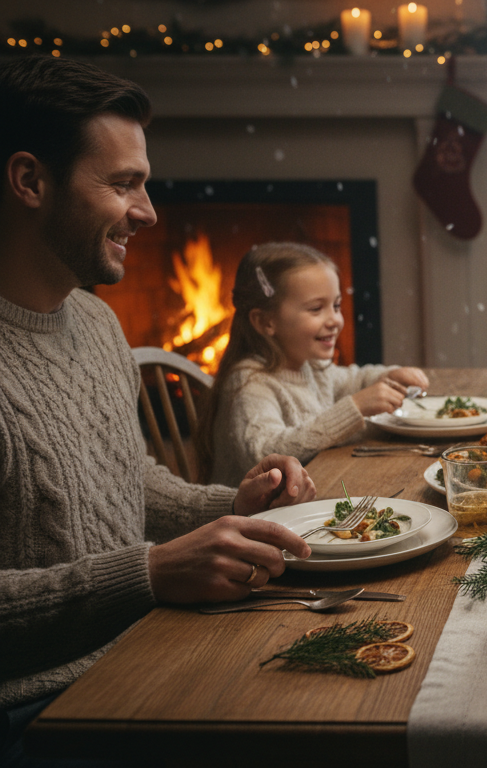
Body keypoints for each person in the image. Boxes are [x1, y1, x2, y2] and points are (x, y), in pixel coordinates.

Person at [0, 56, 317, 761]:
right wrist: (148, 574)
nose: (146, 212)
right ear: (29, 181)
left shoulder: (94, 321)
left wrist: (229, 507)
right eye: (123, 185)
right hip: (34, 708)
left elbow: (120, 478)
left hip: (141, 648)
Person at [194, 242, 429, 485]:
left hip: (312, 493)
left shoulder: (308, 364)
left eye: (336, 306)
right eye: (316, 309)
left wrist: (391, 375)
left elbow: (351, 380)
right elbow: (263, 452)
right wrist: (354, 409)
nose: (335, 320)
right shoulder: (249, 383)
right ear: (265, 322)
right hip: (255, 518)